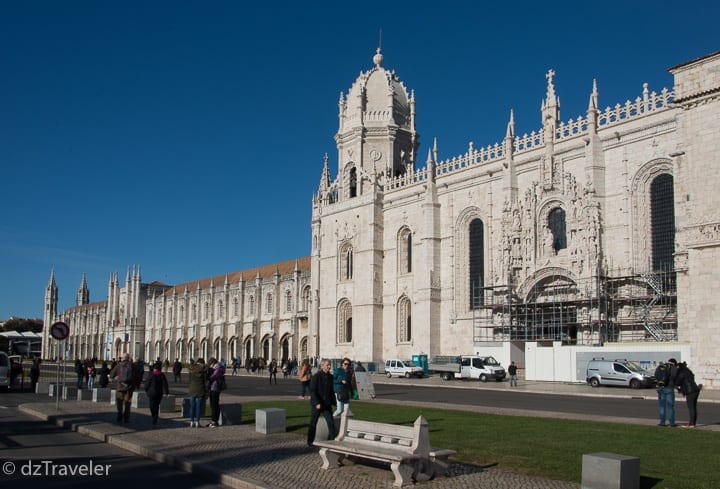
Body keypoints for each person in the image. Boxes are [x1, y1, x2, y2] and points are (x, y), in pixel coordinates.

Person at [307, 358, 337, 447]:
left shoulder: (331, 377)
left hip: (326, 404)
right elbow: (313, 391)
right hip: (317, 404)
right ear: (322, 366)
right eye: (327, 365)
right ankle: (310, 441)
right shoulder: (316, 376)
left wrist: (335, 403)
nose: (329, 366)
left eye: (329, 365)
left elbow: (331, 391)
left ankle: (330, 441)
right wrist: (317, 403)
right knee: (313, 423)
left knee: (331, 424)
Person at [110, 353, 137, 423]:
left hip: (120, 387)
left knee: (119, 402)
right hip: (129, 388)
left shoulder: (118, 365)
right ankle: (126, 418)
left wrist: (116, 377)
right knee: (127, 403)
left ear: (122, 358)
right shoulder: (133, 366)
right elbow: (136, 376)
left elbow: (112, 375)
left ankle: (119, 415)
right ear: (128, 358)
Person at [675, 361, 702, 428]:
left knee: (691, 408)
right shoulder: (688, 372)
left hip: (690, 391)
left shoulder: (682, 373)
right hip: (695, 390)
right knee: (694, 407)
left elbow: (678, 382)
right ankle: (693, 423)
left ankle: (691, 424)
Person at [144, 360, 170, 426]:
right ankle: (155, 416)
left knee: (152, 406)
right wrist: (167, 392)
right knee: (156, 405)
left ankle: (154, 416)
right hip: (159, 393)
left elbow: (147, 384)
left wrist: (146, 390)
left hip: (152, 393)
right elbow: (165, 384)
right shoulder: (161, 375)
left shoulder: (151, 375)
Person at [655, 358, 678, 427]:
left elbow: (656, 375)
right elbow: (674, 377)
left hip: (661, 388)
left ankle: (662, 422)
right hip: (669, 388)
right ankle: (672, 423)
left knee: (662, 407)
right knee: (670, 407)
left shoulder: (661, 366)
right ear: (674, 363)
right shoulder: (673, 368)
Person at [187, 357, 207, 428]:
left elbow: (189, 380)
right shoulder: (203, 370)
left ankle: (191, 421)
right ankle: (197, 422)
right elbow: (205, 382)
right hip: (200, 389)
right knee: (198, 406)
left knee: (192, 406)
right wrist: (206, 391)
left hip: (192, 389)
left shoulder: (191, 369)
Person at [206, 357, 226, 428]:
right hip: (213, 388)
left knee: (214, 405)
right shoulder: (216, 368)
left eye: (210, 364)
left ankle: (215, 421)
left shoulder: (218, 369)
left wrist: (208, 374)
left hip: (215, 388)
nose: (210, 366)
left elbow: (212, 377)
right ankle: (213, 420)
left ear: (213, 363)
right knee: (213, 405)